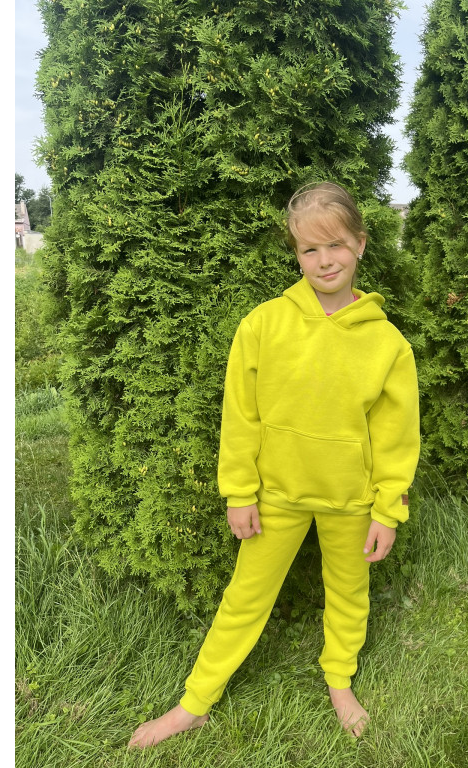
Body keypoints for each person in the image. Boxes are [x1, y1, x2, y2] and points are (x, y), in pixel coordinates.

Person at [128, 181, 420, 749]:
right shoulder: (262, 325)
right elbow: (241, 416)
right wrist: (239, 492)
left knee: (349, 594)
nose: (324, 260)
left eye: (335, 244)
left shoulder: (388, 344)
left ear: (360, 244)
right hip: (276, 497)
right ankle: (195, 703)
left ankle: (340, 681)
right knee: (244, 598)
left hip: (350, 501)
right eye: (309, 249)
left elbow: (396, 437)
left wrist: (387, 510)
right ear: (296, 255)